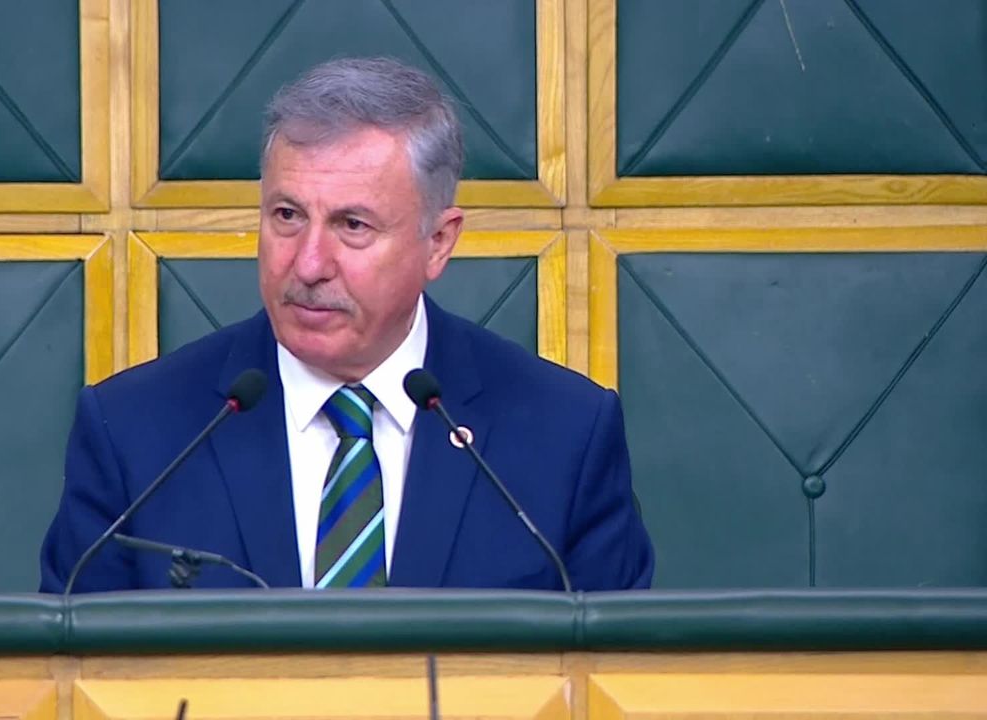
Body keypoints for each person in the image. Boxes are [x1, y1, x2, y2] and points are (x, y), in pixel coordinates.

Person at [40, 57, 652, 592]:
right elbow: (72, 668)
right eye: (287, 216)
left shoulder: (565, 434)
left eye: (353, 226)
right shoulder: (134, 433)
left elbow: (616, 669)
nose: (308, 264)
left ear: (438, 242)